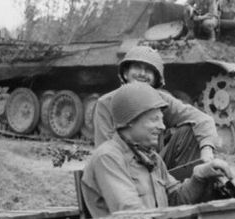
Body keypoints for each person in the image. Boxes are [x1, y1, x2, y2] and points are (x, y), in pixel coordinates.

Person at [82, 83, 232, 216]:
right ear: (130, 121)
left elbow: (175, 200)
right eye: (154, 120)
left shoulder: (151, 158)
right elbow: (131, 215)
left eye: (161, 119)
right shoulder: (108, 157)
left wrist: (198, 177)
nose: (162, 126)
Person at [93, 45, 221, 170]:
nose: (142, 74)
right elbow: (105, 150)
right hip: (122, 168)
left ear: (155, 79)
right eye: (137, 67)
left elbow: (203, 119)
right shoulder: (106, 103)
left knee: (190, 130)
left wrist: (207, 151)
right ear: (125, 74)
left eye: (149, 70)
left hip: (154, 167)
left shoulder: (161, 99)